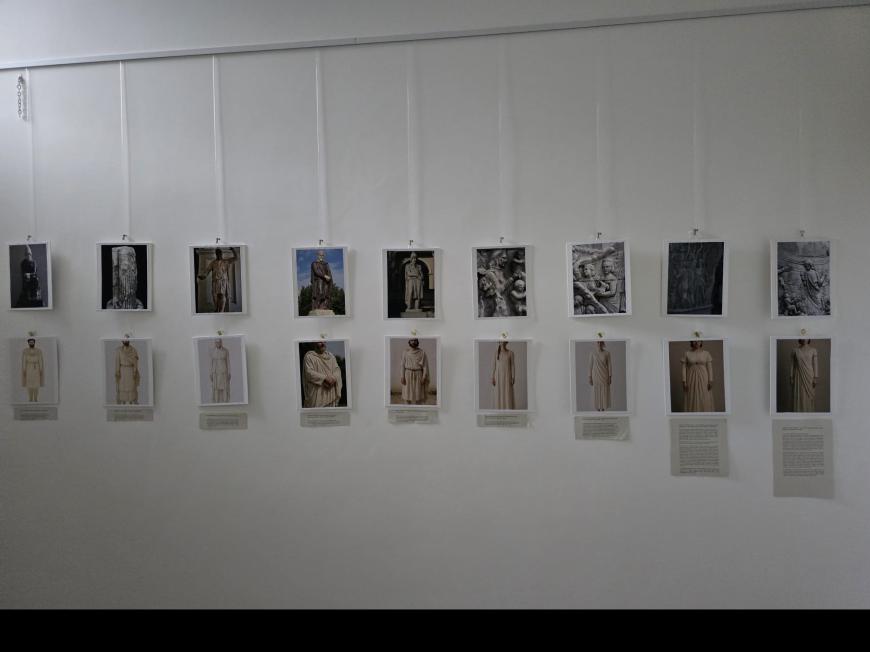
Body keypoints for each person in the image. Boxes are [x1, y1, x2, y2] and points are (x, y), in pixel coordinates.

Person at [302, 341, 343, 408]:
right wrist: (325, 378)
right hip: (316, 394)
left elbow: (337, 370)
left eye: (324, 342)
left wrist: (334, 378)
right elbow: (309, 372)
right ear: (314, 342)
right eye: (320, 342)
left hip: (330, 393)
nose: (323, 344)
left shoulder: (331, 357)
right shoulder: (309, 356)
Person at [680, 340, 714, 412]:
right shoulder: (687, 353)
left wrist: (710, 380)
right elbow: (684, 368)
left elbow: (710, 368)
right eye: (694, 341)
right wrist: (684, 381)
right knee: (692, 396)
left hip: (703, 377)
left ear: (701, 342)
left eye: (698, 341)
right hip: (691, 377)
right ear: (691, 342)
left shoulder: (706, 353)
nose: (696, 343)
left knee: (704, 396)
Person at [197, 248, 233, 312]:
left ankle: (221, 311)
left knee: (222, 295)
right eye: (217, 253)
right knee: (215, 296)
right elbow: (207, 270)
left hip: (222, 281)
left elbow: (236, 258)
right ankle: (217, 308)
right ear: (216, 254)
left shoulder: (225, 261)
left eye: (220, 253)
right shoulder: (213, 263)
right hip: (215, 281)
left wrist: (233, 250)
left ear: (221, 254)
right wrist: (203, 276)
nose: (219, 254)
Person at [790, 339, 819, 412]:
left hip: (809, 376)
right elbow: (792, 365)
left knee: (808, 398)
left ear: (809, 339)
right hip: (798, 375)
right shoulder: (795, 351)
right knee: (799, 395)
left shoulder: (813, 350)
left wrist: (815, 377)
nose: (804, 339)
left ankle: (808, 414)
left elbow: (815, 364)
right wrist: (791, 376)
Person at [399, 338, 430, 405]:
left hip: (418, 374)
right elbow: (402, 365)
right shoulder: (405, 352)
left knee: (418, 395)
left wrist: (424, 377)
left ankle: (418, 409)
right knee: (407, 395)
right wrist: (402, 376)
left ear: (417, 342)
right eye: (412, 340)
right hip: (407, 374)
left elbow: (425, 366)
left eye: (415, 341)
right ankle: (407, 409)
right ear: (409, 342)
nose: (413, 342)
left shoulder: (422, 352)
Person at [114, 339, 141, 404]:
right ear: (122, 341)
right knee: (122, 386)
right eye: (124, 340)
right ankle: (123, 400)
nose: (125, 341)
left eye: (127, 340)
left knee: (131, 385)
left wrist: (135, 371)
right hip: (122, 370)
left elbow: (135, 362)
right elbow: (117, 361)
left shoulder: (133, 350)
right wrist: (117, 371)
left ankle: (131, 400)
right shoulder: (119, 350)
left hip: (130, 370)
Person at [588, 341, 612, 411]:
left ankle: (604, 408)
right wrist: (589, 377)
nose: (599, 344)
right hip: (595, 375)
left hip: (604, 375)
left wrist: (610, 377)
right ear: (596, 343)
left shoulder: (607, 353)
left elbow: (609, 365)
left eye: (601, 342)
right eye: (598, 342)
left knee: (604, 391)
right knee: (596, 391)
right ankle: (597, 408)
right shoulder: (592, 353)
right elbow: (590, 365)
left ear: (603, 343)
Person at [491, 341, 516, 410]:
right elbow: (494, 365)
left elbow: (513, 365)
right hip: (498, 376)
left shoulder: (510, 353)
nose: (502, 342)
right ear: (499, 342)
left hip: (507, 376)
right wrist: (492, 377)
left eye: (504, 341)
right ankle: (499, 410)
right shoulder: (496, 353)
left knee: (507, 392)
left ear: (506, 342)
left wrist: (513, 377)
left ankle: (508, 410)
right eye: (501, 341)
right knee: (499, 392)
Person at [20, 338, 44, 402]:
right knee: (29, 384)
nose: (31, 343)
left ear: (34, 343)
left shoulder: (38, 351)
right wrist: (24, 369)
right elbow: (24, 360)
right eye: (30, 342)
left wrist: (41, 369)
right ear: (28, 343)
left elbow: (40, 360)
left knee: (36, 384)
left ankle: (35, 398)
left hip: (36, 369)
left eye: (32, 342)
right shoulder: (25, 351)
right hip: (28, 368)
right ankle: (30, 398)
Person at [209, 338, 231, 403]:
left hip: (223, 372)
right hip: (215, 372)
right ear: (215, 343)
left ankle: (225, 402)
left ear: (221, 343)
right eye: (216, 342)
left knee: (225, 387)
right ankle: (216, 402)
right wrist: (210, 373)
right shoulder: (212, 351)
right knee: (215, 388)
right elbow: (211, 363)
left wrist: (229, 372)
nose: (217, 343)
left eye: (219, 342)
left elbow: (228, 362)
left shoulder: (225, 351)